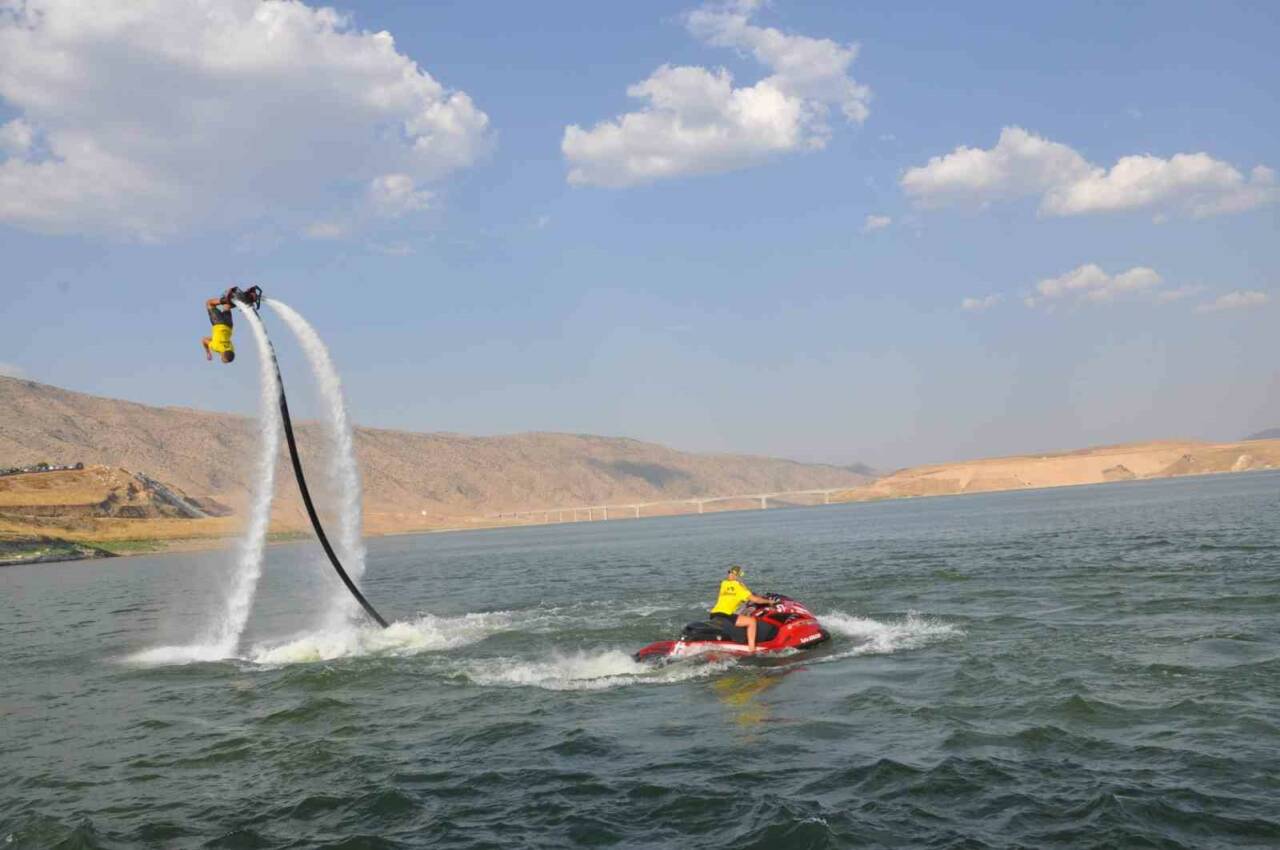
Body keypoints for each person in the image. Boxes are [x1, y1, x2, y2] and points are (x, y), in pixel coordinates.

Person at [709, 565, 773, 651]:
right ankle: (752, 649)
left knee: (739, 615)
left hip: (714, 613)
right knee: (752, 622)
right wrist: (769, 601)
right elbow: (755, 600)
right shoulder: (739, 587)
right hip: (726, 615)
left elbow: (734, 595)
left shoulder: (724, 584)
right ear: (738, 576)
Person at [201, 289, 238, 363]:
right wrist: (208, 352)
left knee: (226, 306)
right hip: (218, 323)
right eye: (222, 359)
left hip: (228, 326)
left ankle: (242, 301)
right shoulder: (215, 347)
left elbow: (218, 340)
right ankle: (225, 299)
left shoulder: (231, 349)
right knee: (209, 303)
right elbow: (204, 340)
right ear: (222, 355)